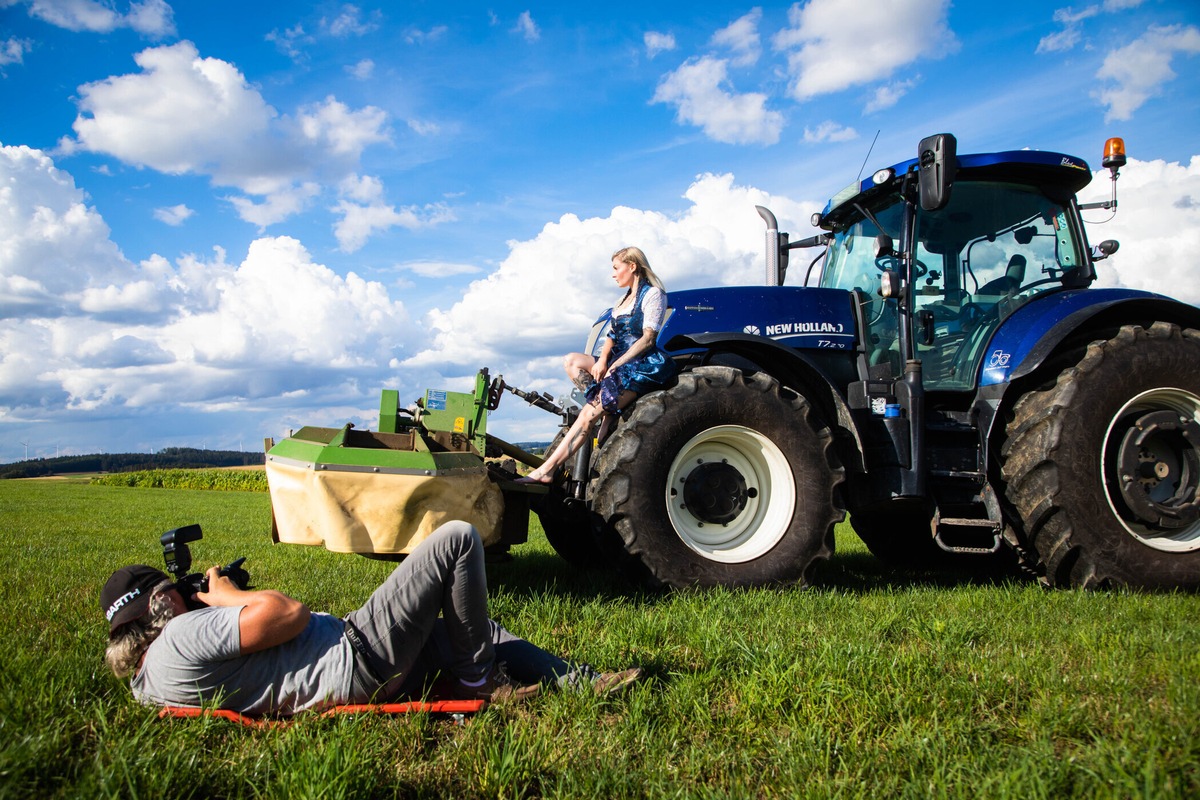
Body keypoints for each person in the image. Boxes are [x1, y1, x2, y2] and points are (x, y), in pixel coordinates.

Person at [102, 520, 641, 716]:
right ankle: (479, 679)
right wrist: (221, 593)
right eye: (175, 591)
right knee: (455, 540)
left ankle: (581, 684)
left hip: (349, 664)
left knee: (480, 630)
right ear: (160, 605)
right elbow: (285, 615)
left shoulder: (151, 682)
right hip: (354, 655)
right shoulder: (177, 635)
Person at [519, 246, 677, 484]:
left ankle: (547, 471)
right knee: (571, 361)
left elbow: (648, 339)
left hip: (638, 363)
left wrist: (617, 364)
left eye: (616, 268)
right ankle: (606, 408)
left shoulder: (653, 294)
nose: (613, 274)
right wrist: (603, 360)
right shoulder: (623, 298)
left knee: (585, 415)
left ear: (632, 266)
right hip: (616, 359)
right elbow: (612, 335)